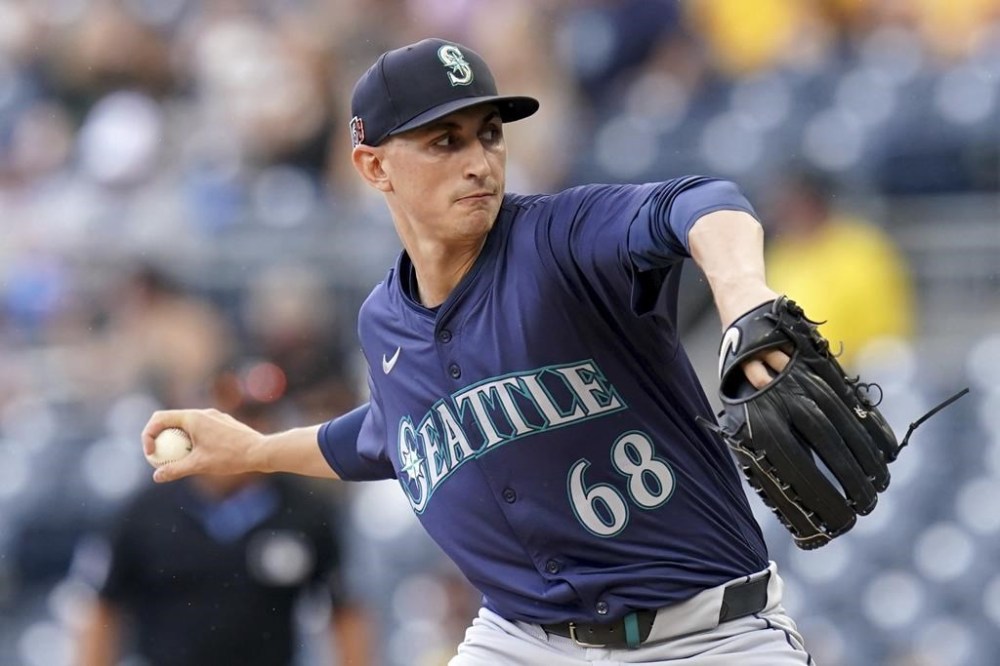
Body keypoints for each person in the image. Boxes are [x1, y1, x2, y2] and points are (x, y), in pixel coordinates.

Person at [142, 38, 813, 664]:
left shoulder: (560, 239)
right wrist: (254, 451)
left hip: (708, 636)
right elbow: (393, 432)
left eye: (489, 135)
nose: (478, 162)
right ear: (374, 165)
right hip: (525, 642)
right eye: (444, 141)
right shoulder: (384, 320)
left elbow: (702, 202)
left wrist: (744, 295)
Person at [76, 357, 372, 666]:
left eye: (256, 417)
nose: (242, 430)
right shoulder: (146, 511)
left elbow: (346, 611)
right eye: (233, 416)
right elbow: (101, 608)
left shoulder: (306, 511)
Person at [762, 167, 915, 369]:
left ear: (815, 202)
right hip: (795, 371)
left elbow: (884, 326)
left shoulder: (862, 247)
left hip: (859, 369)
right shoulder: (780, 254)